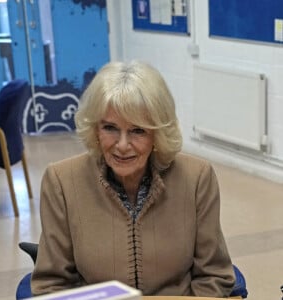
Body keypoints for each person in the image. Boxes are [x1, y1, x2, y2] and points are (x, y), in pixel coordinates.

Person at [31, 60, 235, 297]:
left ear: (158, 134)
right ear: (95, 129)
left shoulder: (197, 178)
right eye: (110, 128)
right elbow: (50, 284)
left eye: (138, 130)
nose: (122, 145)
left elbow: (214, 276)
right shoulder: (62, 182)